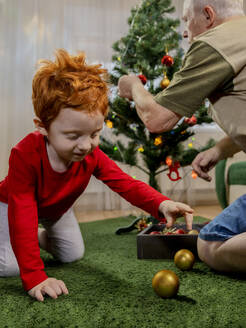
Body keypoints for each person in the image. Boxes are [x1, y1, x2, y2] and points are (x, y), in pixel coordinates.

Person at [0, 49, 194, 302]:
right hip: (11, 206)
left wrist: (161, 203)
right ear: (42, 128)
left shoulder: (91, 155)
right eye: (72, 136)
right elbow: (23, 209)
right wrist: (35, 276)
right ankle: (18, 238)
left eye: (94, 134)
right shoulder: (25, 154)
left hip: (56, 209)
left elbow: (125, 183)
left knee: (72, 254)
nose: (85, 145)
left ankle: (34, 237)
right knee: (10, 268)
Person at [118, 0, 246, 273]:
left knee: (210, 245)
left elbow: (157, 119)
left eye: (187, 20)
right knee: (212, 236)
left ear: (208, 15)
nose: (185, 32)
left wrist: (135, 86)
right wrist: (217, 150)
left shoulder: (214, 41)